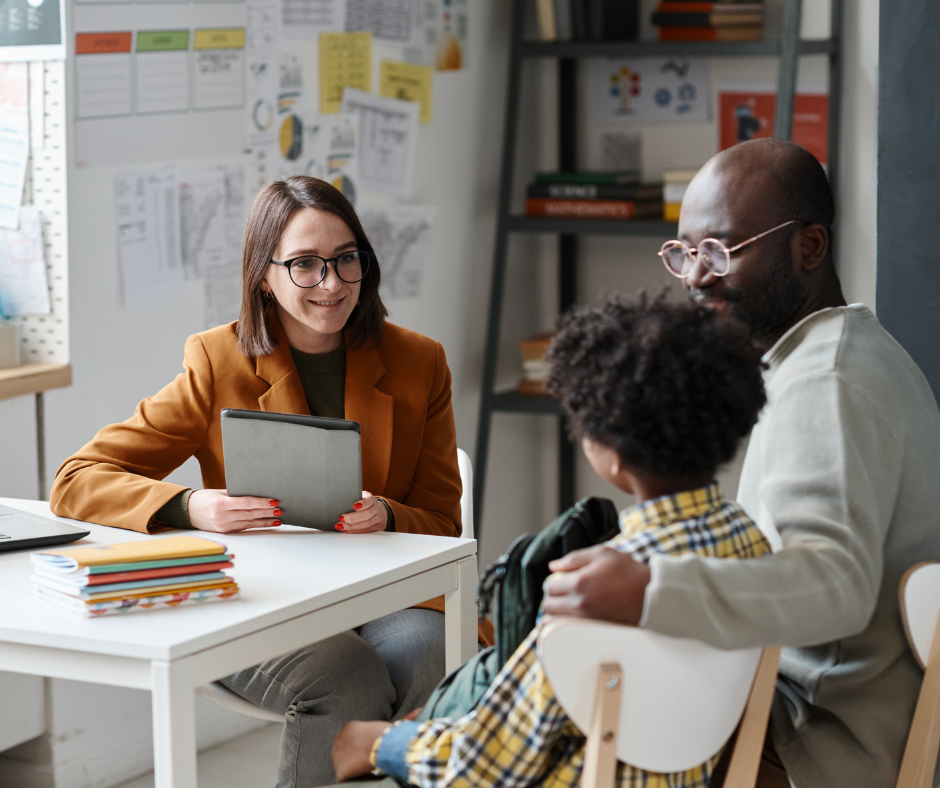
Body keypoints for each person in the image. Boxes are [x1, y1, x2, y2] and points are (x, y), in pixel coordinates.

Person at [49, 176, 491, 788]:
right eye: (305, 265)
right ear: (265, 274)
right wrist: (190, 505)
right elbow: (77, 479)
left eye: (345, 260)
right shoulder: (216, 361)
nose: (331, 283)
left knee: (428, 654)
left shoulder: (420, 362)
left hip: (386, 598)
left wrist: (388, 515)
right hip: (261, 601)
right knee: (346, 678)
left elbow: (443, 520)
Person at [543, 138, 940, 788]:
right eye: (686, 252)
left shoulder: (825, 383)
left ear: (808, 248)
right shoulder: (842, 350)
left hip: (823, 743)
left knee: (569, 714)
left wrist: (651, 590)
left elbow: (834, 584)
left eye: (722, 249)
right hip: (823, 713)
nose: (698, 275)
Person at [329, 293, 772, 788]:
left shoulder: (596, 589)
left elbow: (483, 768)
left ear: (613, 454)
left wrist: (380, 744)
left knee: (374, 745)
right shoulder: (752, 546)